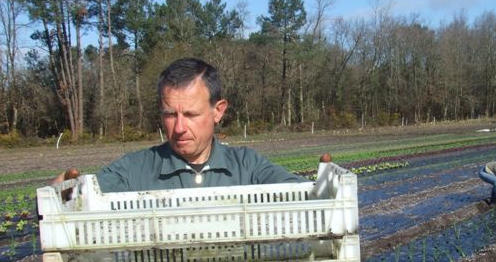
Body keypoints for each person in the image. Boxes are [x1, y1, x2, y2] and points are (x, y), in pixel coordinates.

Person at [53, 57, 308, 192]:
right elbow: (75, 198)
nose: (179, 128)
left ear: (218, 111)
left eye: (191, 114)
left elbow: (304, 194)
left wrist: (327, 186)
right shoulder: (133, 171)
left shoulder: (247, 167)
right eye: (170, 115)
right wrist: (59, 193)